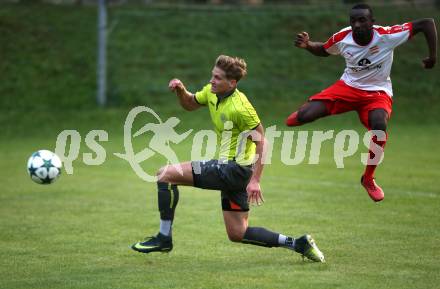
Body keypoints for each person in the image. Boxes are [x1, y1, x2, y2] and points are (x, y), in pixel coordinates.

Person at [131, 55, 325, 262]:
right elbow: (189, 103)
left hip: (234, 169)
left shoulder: (241, 107)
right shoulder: (212, 92)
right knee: (238, 232)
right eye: (212, 75)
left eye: (218, 78)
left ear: (232, 83)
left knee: (166, 174)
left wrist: (255, 180)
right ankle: (298, 243)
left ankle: (163, 237)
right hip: (233, 170)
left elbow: (262, 141)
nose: (212, 81)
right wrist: (180, 90)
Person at [285, 3, 437, 202]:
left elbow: (426, 23)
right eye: (353, 21)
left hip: (377, 92)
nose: (357, 25)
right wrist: (307, 45)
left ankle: (368, 178)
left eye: (362, 20)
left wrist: (433, 57)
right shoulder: (343, 37)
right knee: (299, 118)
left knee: (379, 125)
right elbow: (324, 50)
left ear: (372, 22)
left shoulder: (386, 35)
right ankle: (313, 109)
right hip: (347, 88)